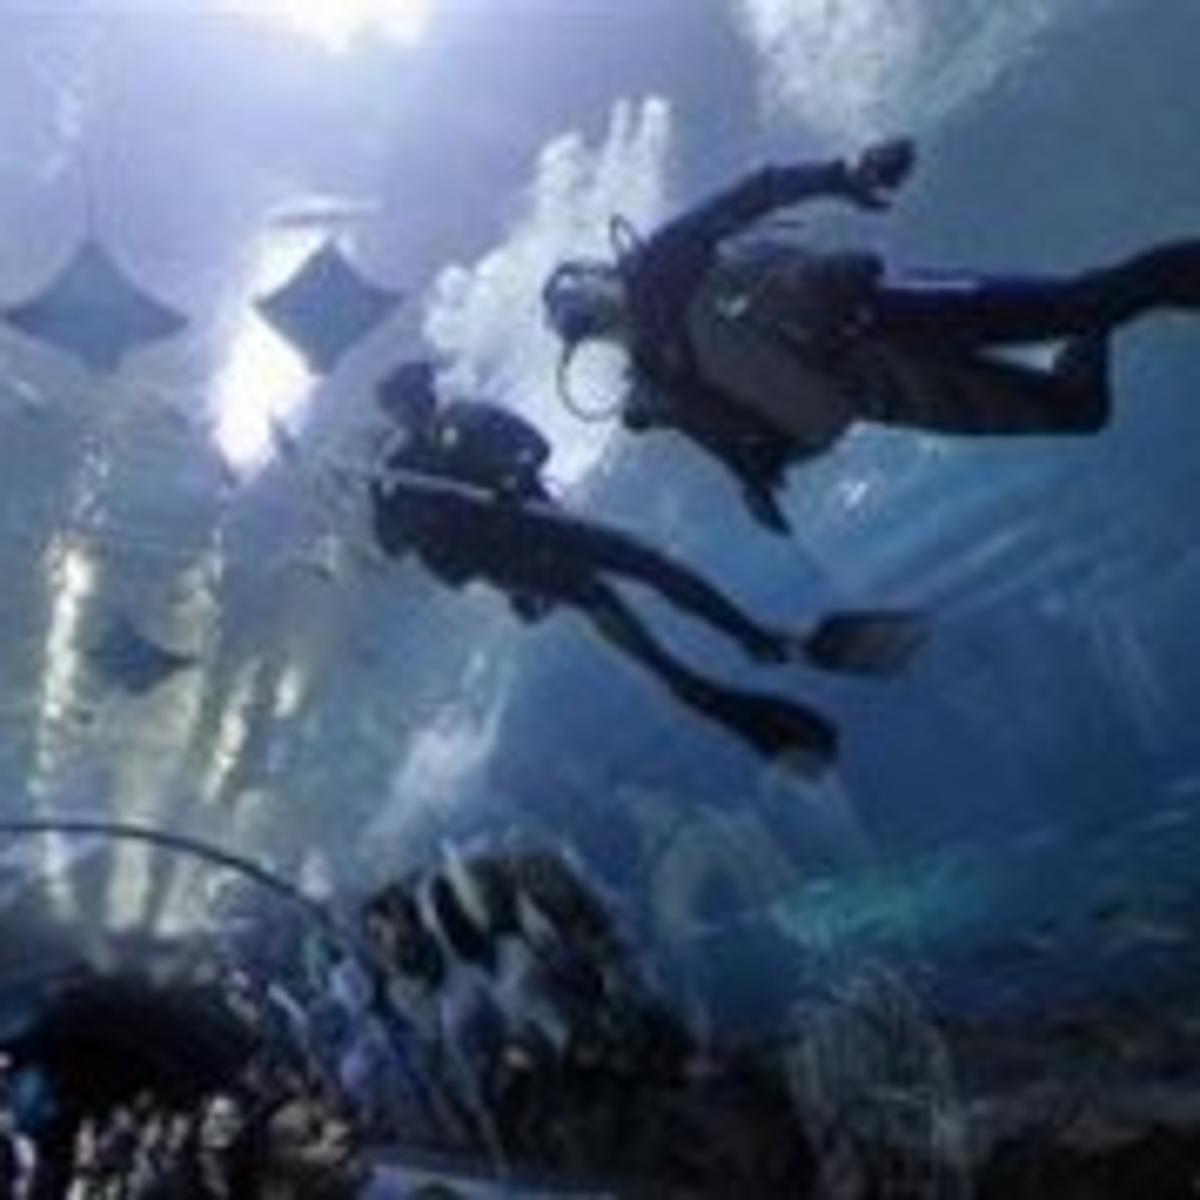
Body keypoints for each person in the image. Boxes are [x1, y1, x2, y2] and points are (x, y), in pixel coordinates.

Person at [541, 137, 1200, 532]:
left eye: (578, 295)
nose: (585, 315)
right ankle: (1111, 311)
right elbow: (725, 432)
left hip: (878, 312)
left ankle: (1118, 302)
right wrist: (753, 482)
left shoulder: (657, 267)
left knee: (1080, 305)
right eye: (573, 320)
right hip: (878, 390)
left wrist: (842, 176)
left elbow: (754, 193)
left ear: (599, 277)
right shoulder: (655, 377)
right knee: (1078, 410)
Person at [369, 362, 923, 770]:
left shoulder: (468, 417)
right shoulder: (395, 473)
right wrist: (415, 509)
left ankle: (757, 638)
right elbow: (393, 544)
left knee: (652, 565)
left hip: (544, 522)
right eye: (406, 399)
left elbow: (532, 446)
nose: (417, 403)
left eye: (419, 393)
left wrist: (512, 475)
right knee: (608, 606)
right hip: (515, 562)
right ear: (395, 409)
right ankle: (717, 698)